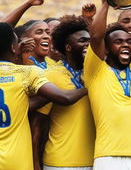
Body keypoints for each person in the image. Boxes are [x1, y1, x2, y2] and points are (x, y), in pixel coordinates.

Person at [83, 0, 131, 170]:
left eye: (129, 42)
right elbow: (97, 37)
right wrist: (106, 2)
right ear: (106, 49)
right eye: (117, 42)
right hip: (108, 156)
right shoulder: (96, 70)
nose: (125, 45)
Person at [0, 22, 87, 170]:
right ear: (13, 47)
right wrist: (88, 87)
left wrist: (16, 54)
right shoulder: (26, 73)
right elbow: (65, 98)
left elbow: (23, 104)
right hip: (16, 161)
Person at [32, 14, 95, 170]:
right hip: (60, 162)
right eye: (82, 41)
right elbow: (37, 124)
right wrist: (35, 163)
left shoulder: (97, 73)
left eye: (90, 41)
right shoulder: (51, 74)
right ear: (68, 47)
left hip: (96, 160)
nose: (88, 45)